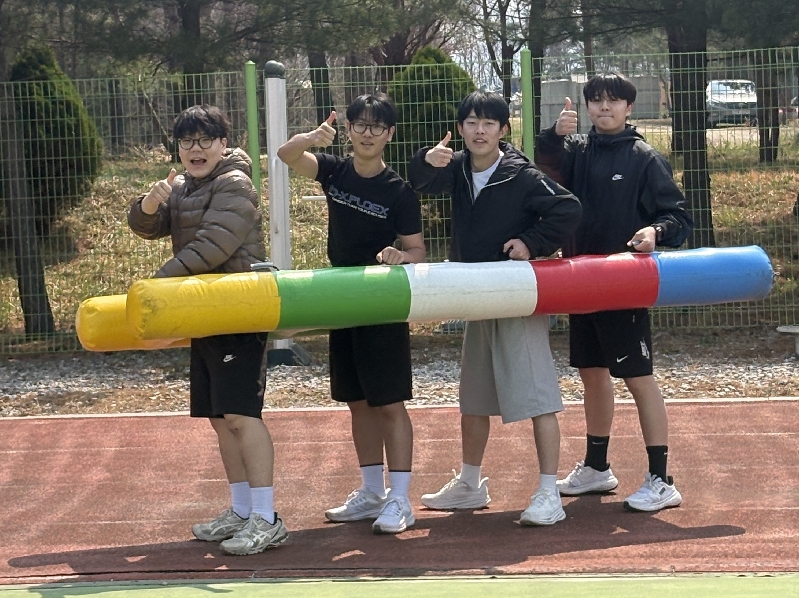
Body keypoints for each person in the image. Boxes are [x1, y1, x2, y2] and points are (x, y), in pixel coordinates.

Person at [408, 91, 582, 525]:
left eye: (488, 123)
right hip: (475, 295)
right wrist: (426, 159)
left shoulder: (520, 174)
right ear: (461, 129)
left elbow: (567, 209)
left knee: (538, 396)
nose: (479, 130)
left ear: (503, 130)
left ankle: (549, 492)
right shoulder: (456, 168)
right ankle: (470, 484)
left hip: (516, 295)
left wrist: (531, 243)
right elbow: (419, 183)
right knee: (473, 398)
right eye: (471, 122)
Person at [128, 105, 287, 555]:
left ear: (223, 143)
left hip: (238, 311)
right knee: (221, 419)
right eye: (186, 141)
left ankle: (267, 518)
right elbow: (148, 225)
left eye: (204, 140)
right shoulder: (183, 186)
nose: (194, 149)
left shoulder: (235, 183)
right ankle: (241, 510)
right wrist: (148, 205)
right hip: (203, 312)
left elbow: (212, 246)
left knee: (241, 415)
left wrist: (156, 287)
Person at [535, 72, 694, 512]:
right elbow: (544, 164)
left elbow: (678, 218)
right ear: (587, 106)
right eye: (597, 101)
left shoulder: (645, 157)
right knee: (592, 373)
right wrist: (553, 134)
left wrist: (655, 232)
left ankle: (661, 479)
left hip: (624, 283)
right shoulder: (576, 150)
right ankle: (597, 467)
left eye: (613, 100)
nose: (604, 108)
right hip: (578, 281)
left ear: (629, 107)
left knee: (638, 378)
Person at [276, 93, 426, 534]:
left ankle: (400, 499)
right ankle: (371, 492)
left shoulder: (399, 192)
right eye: (360, 124)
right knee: (357, 402)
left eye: (376, 127)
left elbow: (418, 250)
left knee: (389, 403)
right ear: (349, 129)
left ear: (389, 134)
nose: (367, 133)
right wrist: (311, 137)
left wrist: (400, 255)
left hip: (381, 302)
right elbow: (286, 155)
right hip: (341, 299)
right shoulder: (334, 170)